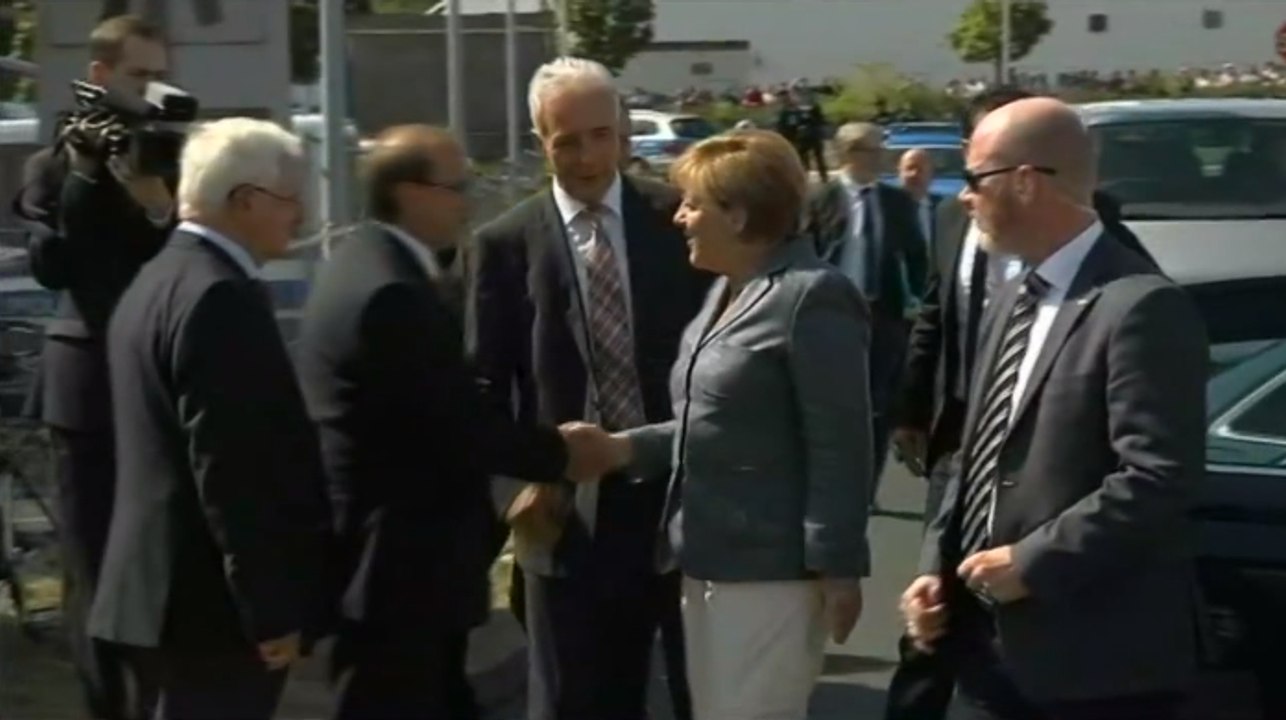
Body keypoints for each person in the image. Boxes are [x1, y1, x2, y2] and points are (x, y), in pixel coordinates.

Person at [294, 125, 613, 720]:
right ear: (411, 193)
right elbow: (457, 423)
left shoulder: (364, 263)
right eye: (456, 186)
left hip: (395, 571)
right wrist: (562, 455)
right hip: (397, 575)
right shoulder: (391, 293)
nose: (467, 200)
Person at [901, 98, 1205, 720]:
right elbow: (975, 450)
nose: (963, 198)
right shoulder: (1016, 294)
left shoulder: (1138, 305)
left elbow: (1158, 478)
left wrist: (1033, 563)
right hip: (982, 649)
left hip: (1089, 669)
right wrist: (937, 569)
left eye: (974, 179)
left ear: (1025, 182)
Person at [596, 129, 871, 720]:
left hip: (771, 574)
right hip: (705, 558)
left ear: (738, 214)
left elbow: (840, 444)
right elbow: (716, 423)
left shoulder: (812, 298)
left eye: (693, 204)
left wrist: (837, 566)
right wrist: (622, 450)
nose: (680, 219)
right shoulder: (726, 290)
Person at [469, 56, 708, 720]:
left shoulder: (680, 221)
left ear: (624, 132)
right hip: (568, 516)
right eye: (566, 140)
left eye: (601, 135)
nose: (586, 156)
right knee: (576, 702)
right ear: (540, 140)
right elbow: (481, 389)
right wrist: (514, 490)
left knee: (707, 695)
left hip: (685, 501)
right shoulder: (504, 245)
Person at [89, 118, 334, 720]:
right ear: (245, 201)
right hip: (210, 613)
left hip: (152, 598)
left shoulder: (155, 281)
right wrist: (269, 609)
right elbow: (230, 470)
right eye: (290, 199)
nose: (299, 215)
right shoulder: (218, 297)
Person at [9, 15, 173, 720]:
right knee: (92, 561)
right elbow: (55, 267)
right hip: (86, 387)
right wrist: (82, 173)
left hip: (159, 380)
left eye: (157, 75)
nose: (151, 90)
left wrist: (158, 205)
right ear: (101, 76)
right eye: (139, 76)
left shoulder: (166, 157)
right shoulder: (53, 162)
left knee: (162, 557)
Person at [806, 121, 928, 511]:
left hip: (882, 315)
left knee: (878, 408)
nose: (880, 159)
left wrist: (923, 305)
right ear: (849, 154)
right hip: (827, 314)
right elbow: (803, 252)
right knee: (826, 403)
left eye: (881, 151)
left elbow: (917, 258)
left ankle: (866, 489)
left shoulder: (895, 202)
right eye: (872, 151)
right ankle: (824, 482)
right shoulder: (820, 199)